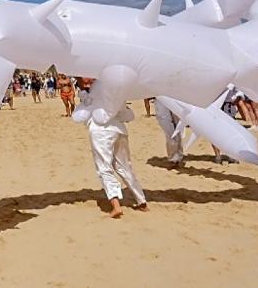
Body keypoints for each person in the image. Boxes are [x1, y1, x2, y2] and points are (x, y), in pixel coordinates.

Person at [75, 78, 147, 218]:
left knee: (104, 167)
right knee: (125, 167)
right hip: (119, 128)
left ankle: (115, 205)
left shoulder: (90, 94)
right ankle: (141, 201)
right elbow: (124, 112)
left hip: (100, 130)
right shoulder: (112, 88)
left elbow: (82, 113)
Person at [153, 99, 184, 167]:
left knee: (177, 129)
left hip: (175, 98)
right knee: (169, 131)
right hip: (160, 99)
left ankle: (178, 155)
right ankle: (174, 157)